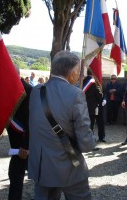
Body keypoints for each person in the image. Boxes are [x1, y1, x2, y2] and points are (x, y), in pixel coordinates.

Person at [28, 51, 96, 200]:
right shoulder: (76, 94)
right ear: (72, 73)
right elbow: (86, 143)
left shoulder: (36, 91)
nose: (79, 76)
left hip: (41, 165)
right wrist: (93, 140)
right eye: (78, 72)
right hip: (69, 164)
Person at [7, 65, 32, 200]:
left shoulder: (28, 90)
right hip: (15, 145)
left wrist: (26, 145)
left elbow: (31, 121)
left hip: (26, 144)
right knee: (15, 179)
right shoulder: (6, 90)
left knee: (41, 178)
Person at [83, 70, 106, 143]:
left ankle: (90, 139)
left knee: (90, 124)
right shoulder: (92, 82)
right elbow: (98, 94)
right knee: (99, 122)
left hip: (86, 106)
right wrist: (102, 98)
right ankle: (100, 137)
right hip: (96, 106)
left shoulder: (83, 81)